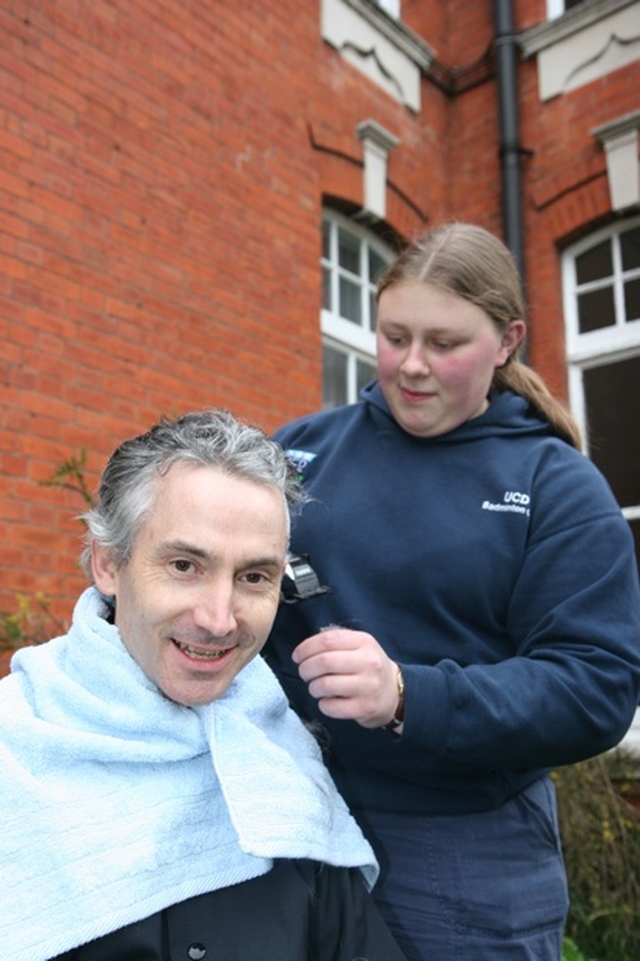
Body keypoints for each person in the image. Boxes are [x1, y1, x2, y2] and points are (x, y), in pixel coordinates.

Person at [264, 222, 640, 961]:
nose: (410, 366)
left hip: (463, 852)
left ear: (507, 341)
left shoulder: (555, 485)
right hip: (291, 820)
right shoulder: (300, 450)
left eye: (444, 343)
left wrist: (409, 695)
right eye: (394, 334)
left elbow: (595, 688)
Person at [0, 409, 408, 961]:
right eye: (185, 565)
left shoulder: (283, 761)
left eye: (254, 577)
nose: (220, 620)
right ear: (107, 564)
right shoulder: (13, 753)